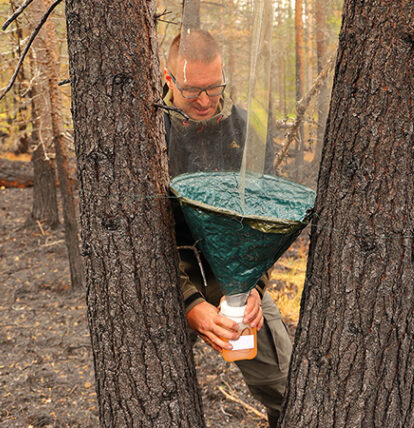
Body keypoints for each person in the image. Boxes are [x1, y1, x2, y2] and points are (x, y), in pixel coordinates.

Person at [162, 29, 290, 428]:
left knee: (288, 388)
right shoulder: (145, 134)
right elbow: (133, 240)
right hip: (162, 276)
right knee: (155, 396)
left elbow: (263, 224)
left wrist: (254, 286)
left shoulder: (247, 130)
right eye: (191, 90)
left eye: (213, 88)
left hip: (235, 277)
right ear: (169, 80)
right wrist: (188, 304)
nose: (204, 100)